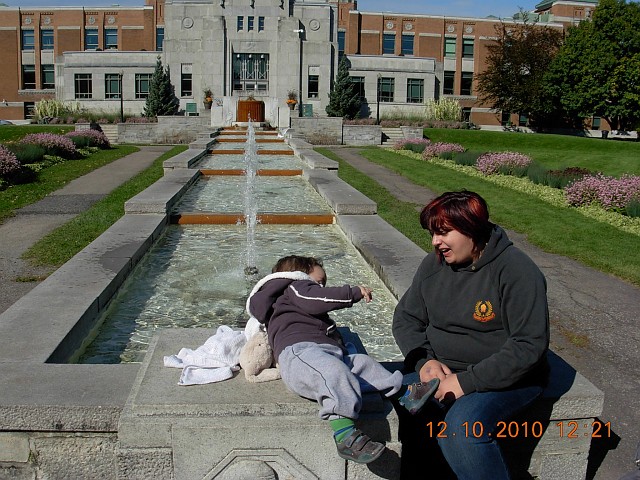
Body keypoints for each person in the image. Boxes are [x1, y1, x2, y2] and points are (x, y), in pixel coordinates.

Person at [392, 191, 550, 480]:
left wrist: (465, 382)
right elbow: (406, 318)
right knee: (387, 395)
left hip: (505, 380)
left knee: (461, 430)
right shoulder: (433, 265)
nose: (435, 242)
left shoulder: (517, 271)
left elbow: (528, 345)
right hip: (440, 371)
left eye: (443, 233)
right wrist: (424, 362)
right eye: (432, 233)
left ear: (472, 229)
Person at [247, 255, 439, 464]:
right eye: (318, 282)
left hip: (324, 353)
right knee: (333, 373)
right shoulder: (294, 287)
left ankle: (404, 394)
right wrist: (352, 293)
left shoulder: (291, 300)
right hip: (301, 353)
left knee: (363, 364)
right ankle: (345, 435)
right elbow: (317, 299)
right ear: (299, 274)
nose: (322, 288)